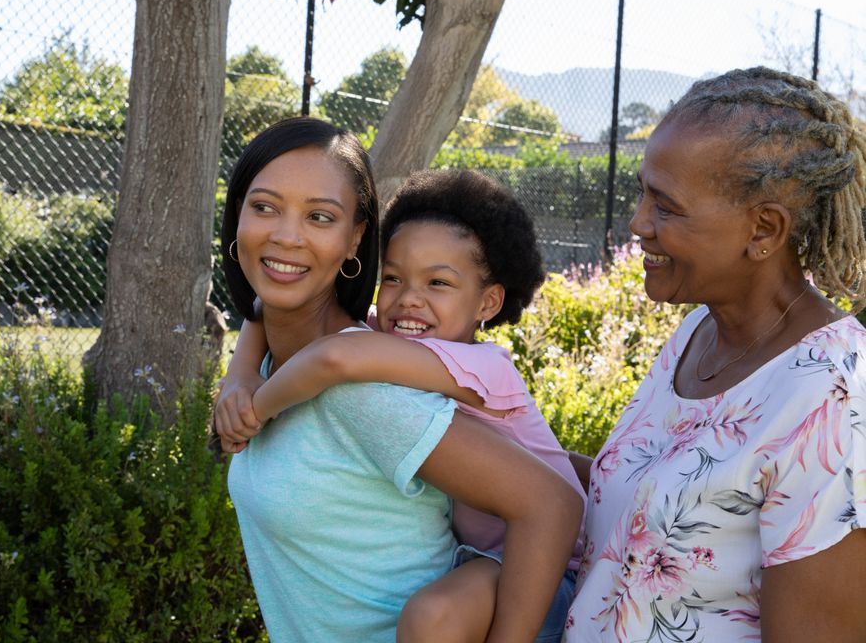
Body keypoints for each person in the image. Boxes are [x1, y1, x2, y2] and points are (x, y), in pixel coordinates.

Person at [217, 117, 583, 643]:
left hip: (535, 574)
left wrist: (253, 410)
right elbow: (262, 309)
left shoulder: (370, 386)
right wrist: (241, 373)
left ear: (355, 238)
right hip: (483, 557)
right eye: (264, 206)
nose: (286, 235)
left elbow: (334, 363)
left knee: (433, 617)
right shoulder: (374, 345)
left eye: (320, 216)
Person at [562, 67, 866, 642]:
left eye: (666, 206)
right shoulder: (699, 331)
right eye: (643, 192)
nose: (638, 223)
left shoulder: (834, 395)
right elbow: (651, 510)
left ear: (764, 229)